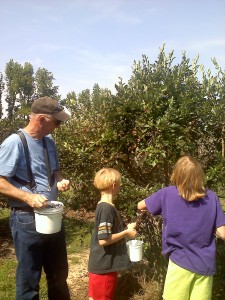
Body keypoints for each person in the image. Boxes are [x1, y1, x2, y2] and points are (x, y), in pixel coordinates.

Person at [0, 97, 71, 300]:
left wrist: (60, 180)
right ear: (41, 119)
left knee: (58, 274)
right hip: (26, 219)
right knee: (29, 280)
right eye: (57, 122)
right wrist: (27, 197)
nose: (59, 126)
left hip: (52, 216)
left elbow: (55, 171)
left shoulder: (49, 142)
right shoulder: (14, 143)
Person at [137, 155, 225, 300]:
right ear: (199, 176)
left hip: (179, 262)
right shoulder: (212, 197)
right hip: (205, 266)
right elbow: (222, 232)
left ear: (176, 175)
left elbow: (141, 205)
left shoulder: (167, 193)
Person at [88, 167, 138, 300]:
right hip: (104, 268)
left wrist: (127, 228)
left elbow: (108, 231)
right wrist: (126, 233)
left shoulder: (104, 206)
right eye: (119, 185)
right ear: (114, 186)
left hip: (102, 266)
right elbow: (104, 239)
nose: (119, 188)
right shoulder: (106, 209)